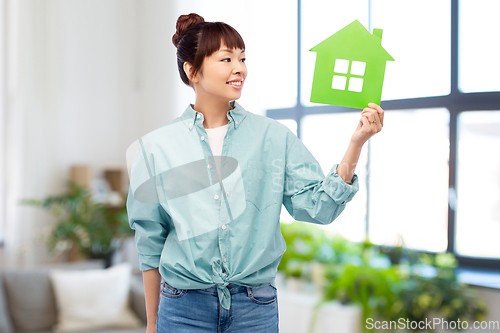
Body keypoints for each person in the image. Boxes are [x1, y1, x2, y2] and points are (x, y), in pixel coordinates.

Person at [126, 13, 384, 333]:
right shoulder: (156, 148)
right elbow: (150, 243)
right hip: (182, 310)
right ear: (192, 71)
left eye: (242, 58)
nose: (240, 68)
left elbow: (319, 207)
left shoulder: (274, 138)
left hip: (254, 309)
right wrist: (152, 323)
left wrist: (356, 144)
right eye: (226, 58)